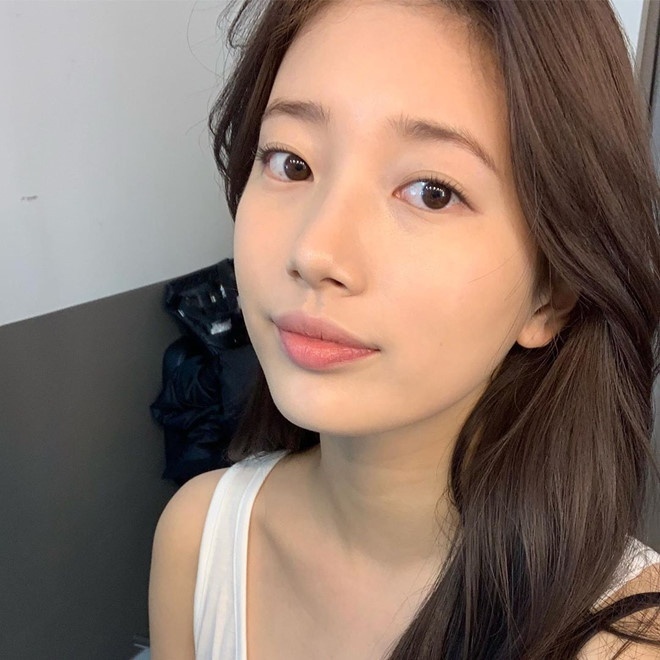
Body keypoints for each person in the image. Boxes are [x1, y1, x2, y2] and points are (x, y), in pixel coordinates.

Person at [148, 0, 660, 657]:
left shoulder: (623, 642)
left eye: (431, 191)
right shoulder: (200, 539)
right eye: (291, 162)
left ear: (551, 296)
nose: (315, 252)